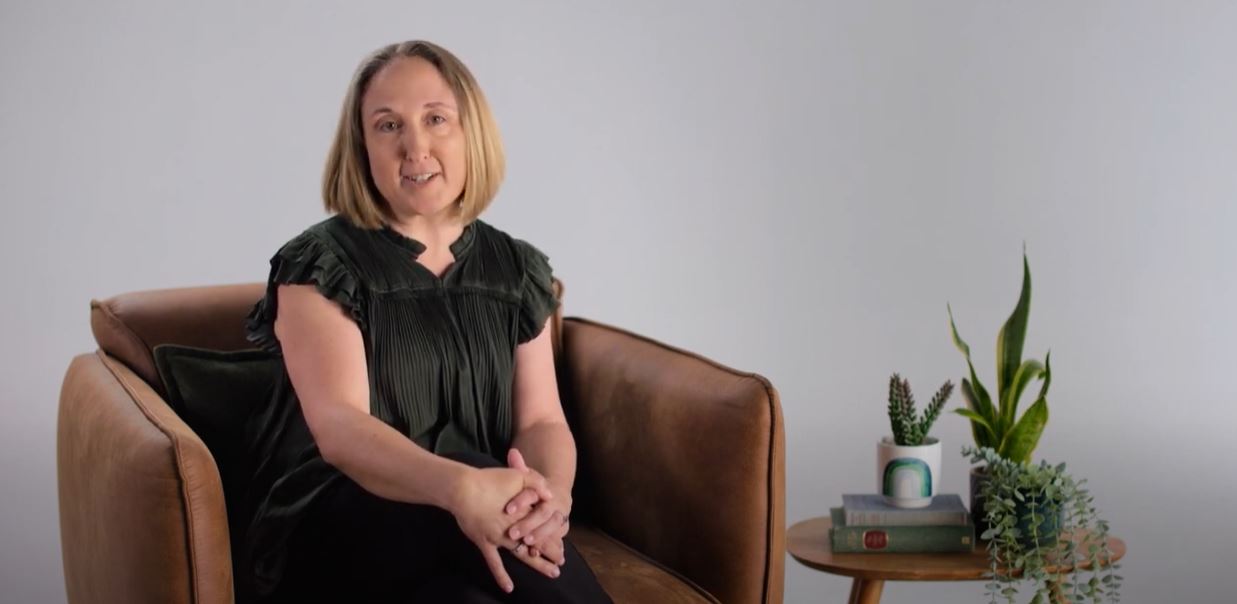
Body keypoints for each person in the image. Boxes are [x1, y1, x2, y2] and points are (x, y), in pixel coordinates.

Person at [240, 40, 613, 603]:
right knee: (465, 465)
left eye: (436, 119)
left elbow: (541, 422)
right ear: (362, 146)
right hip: (340, 518)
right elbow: (340, 428)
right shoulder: (320, 265)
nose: (415, 146)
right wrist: (462, 487)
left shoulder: (517, 269)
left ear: (471, 133)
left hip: (479, 519)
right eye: (387, 125)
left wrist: (550, 503)